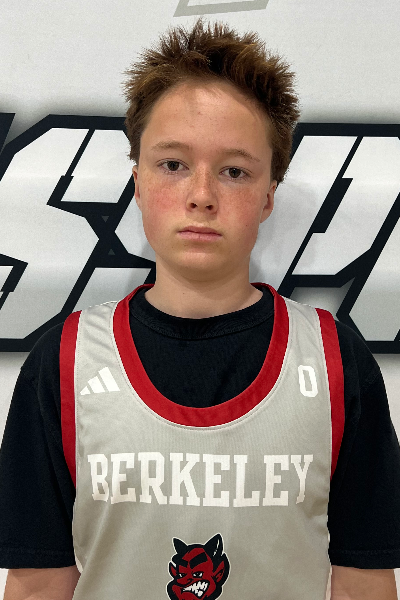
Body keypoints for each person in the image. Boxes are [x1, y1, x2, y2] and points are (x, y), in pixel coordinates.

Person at [1, 16, 400, 600]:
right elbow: (38, 585)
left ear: (268, 195)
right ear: (138, 182)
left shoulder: (336, 362)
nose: (202, 195)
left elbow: (365, 584)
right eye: (173, 164)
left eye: (234, 171)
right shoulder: (63, 364)